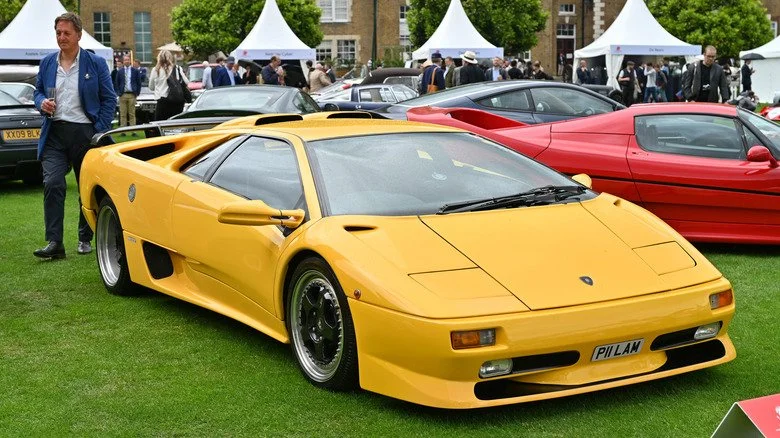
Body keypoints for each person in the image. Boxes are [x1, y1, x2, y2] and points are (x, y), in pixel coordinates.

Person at [32, 12, 117, 259]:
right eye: (58, 33)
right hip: (55, 133)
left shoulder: (95, 63)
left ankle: (85, 236)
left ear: (78, 35)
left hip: (85, 134)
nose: (62, 37)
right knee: (52, 183)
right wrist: (41, 103)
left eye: (67, 33)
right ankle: (55, 242)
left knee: (86, 188)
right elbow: (37, 92)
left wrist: (97, 129)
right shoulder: (48, 62)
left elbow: (109, 99)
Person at [148, 49, 189, 120]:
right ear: (170, 58)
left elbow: (151, 87)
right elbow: (187, 82)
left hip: (162, 101)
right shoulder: (177, 68)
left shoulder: (156, 70)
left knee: (160, 123)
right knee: (175, 124)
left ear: (159, 58)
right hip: (177, 100)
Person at [113, 54, 141, 126]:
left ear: (130, 61)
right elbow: (116, 83)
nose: (127, 61)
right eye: (125, 60)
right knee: (123, 113)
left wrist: (137, 93)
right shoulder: (120, 71)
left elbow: (138, 82)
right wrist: (119, 93)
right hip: (123, 94)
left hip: (132, 94)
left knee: (132, 113)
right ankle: (123, 130)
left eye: (128, 60)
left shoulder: (135, 71)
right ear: (123, 61)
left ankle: (133, 130)